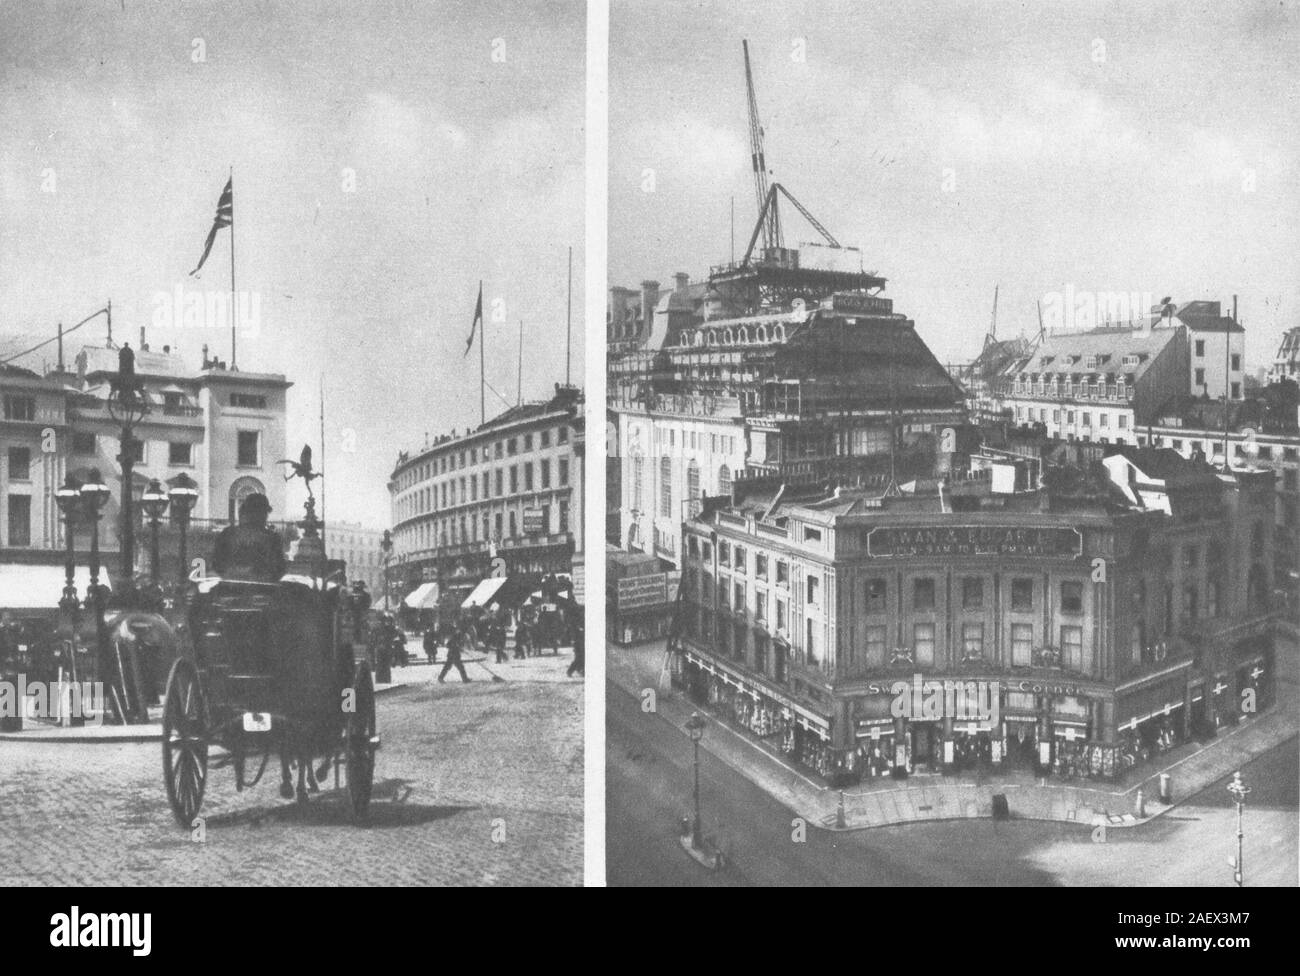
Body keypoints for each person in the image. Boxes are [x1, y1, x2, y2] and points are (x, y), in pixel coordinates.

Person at [212, 493, 286, 581]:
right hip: (263, 588)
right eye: (264, 513)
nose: (265, 516)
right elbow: (279, 569)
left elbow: (217, 564)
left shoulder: (227, 534)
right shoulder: (272, 538)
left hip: (231, 586)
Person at [566, 603, 584, 678]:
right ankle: (570, 671)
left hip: (579, 641)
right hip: (578, 641)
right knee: (580, 657)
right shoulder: (575, 622)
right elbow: (574, 631)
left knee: (581, 657)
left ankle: (580, 669)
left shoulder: (576, 621)